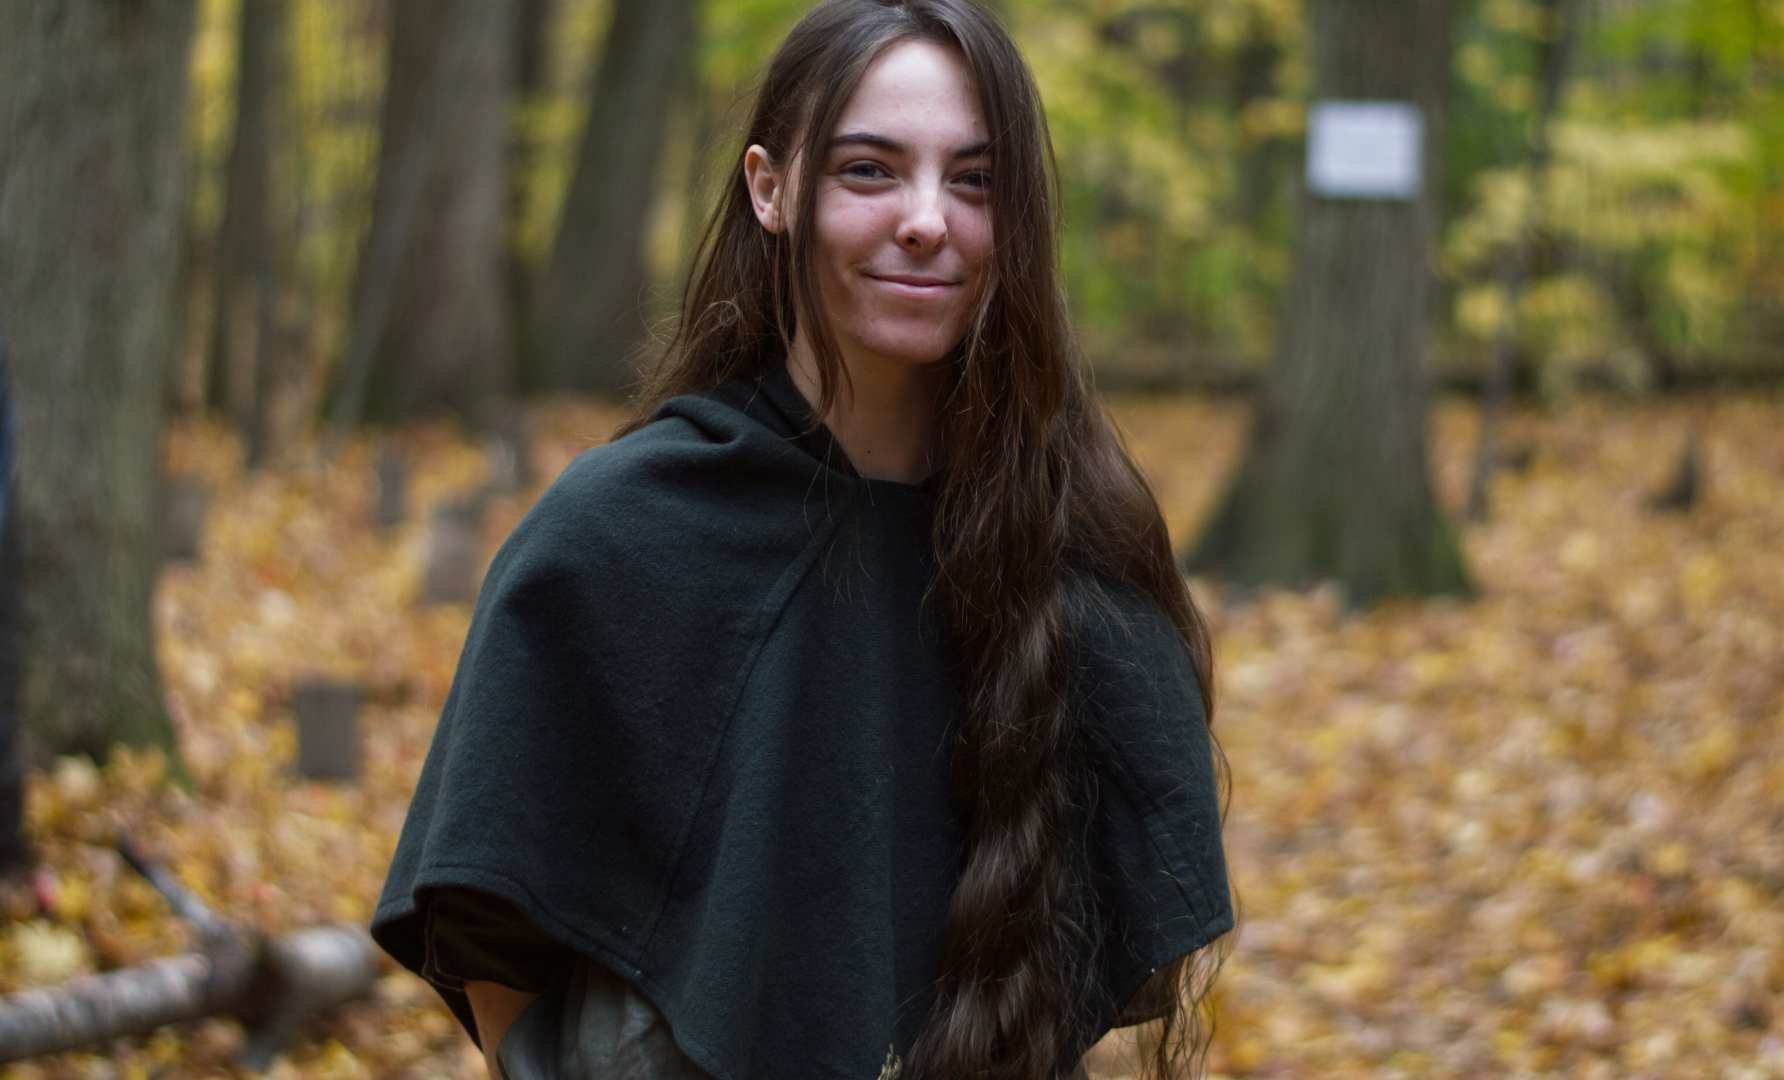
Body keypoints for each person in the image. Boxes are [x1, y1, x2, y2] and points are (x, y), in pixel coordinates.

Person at [371, 1, 1231, 1078]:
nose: (928, 220)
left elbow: (1104, 938)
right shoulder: (616, 533)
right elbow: (488, 909)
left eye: (973, 180)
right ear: (770, 189)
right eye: (869, 170)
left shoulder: (1079, 552)